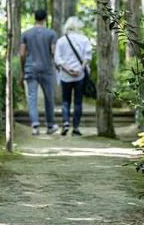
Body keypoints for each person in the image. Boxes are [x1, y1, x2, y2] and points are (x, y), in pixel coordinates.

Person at [19, 8, 59, 136]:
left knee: (32, 98)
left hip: (30, 69)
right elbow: (54, 53)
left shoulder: (26, 34)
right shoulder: (51, 34)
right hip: (46, 69)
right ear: (45, 18)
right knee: (49, 98)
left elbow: (21, 54)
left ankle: (35, 125)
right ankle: (50, 125)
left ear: (34, 18)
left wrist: (23, 68)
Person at [54, 16, 92, 136]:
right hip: (79, 75)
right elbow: (87, 57)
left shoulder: (61, 40)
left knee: (65, 101)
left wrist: (68, 70)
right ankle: (75, 128)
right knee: (78, 102)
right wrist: (80, 69)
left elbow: (57, 59)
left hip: (66, 75)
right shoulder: (84, 39)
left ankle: (65, 123)